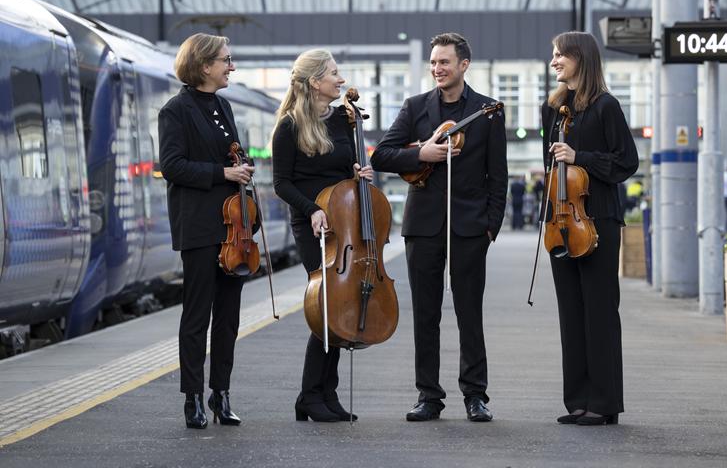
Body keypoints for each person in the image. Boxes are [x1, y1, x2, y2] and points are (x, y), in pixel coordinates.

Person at [371, 32, 508, 423]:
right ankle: (428, 395)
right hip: (424, 227)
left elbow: (498, 176)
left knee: (469, 312)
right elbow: (381, 154)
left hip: (470, 227)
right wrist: (421, 153)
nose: (437, 68)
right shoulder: (415, 107)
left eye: (444, 62)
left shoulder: (487, 111)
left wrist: (490, 227)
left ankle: (475, 395)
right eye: (433, 62)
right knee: (426, 314)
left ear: (464, 64)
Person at [271, 49, 373, 423]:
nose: (341, 79)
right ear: (315, 82)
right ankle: (311, 394)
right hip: (313, 223)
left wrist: (359, 174)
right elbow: (281, 183)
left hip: (344, 223)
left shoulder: (345, 120)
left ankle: (324, 394)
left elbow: (347, 167)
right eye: (333, 73)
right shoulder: (289, 126)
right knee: (328, 308)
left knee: (341, 306)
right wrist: (312, 209)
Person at [542, 31, 638, 426]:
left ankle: (604, 403)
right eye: (553, 55)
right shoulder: (555, 107)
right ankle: (579, 401)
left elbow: (626, 162)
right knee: (571, 313)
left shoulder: (606, 106)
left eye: (560, 54)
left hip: (597, 219)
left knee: (599, 311)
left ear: (581, 57)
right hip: (562, 221)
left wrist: (581, 156)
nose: (554, 62)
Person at [159, 33, 254, 429]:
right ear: (203, 66)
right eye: (225, 60)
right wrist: (223, 172)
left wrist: (243, 166)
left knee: (229, 317)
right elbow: (172, 165)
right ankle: (193, 398)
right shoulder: (175, 111)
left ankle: (222, 394)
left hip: (234, 230)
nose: (231, 66)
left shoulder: (224, 106)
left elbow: (230, 152)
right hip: (198, 226)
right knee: (197, 315)